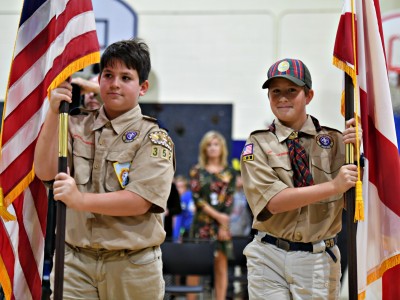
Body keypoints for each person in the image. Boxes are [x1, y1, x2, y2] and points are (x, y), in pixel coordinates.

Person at [34, 38, 175, 299]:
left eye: (126, 77)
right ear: (99, 81)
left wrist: (80, 199)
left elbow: (139, 201)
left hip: (131, 266)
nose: (115, 84)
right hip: (75, 262)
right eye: (108, 75)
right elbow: (44, 171)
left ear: (143, 87)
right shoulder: (75, 125)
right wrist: (54, 113)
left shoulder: (153, 137)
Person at [240, 58, 361, 299]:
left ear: (309, 95)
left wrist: (359, 155)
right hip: (268, 256)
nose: (283, 98)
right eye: (276, 92)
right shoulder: (258, 144)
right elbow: (274, 201)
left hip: (317, 259)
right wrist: (334, 185)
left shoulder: (336, 142)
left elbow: (354, 200)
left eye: (291, 90)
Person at [189, 130, 236, 300]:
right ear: (204, 149)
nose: (213, 148)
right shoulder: (197, 171)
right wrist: (219, 216)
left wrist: (224, 224)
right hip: (201, 224)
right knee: (194, 267)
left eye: (216, 144)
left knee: (221, 266)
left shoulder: (230, 172)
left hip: (222, 226)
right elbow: (197, 200)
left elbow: (230, 199)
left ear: (222, 148)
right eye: (209, 145)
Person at [172, 175, 195, 242]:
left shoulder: (186, 197)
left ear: (186, 187)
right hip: (184, 232)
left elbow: (179, 219)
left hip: (189, 231)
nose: (179, 190)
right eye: (177, 187)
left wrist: (177, 236)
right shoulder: (176, 199)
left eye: (181, 187)